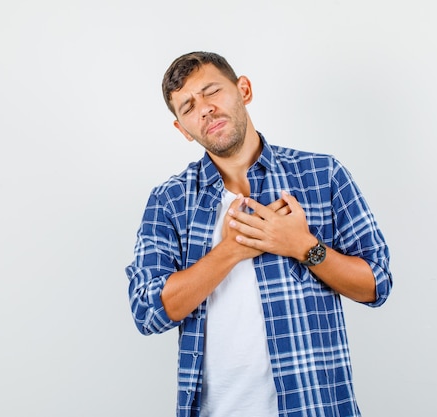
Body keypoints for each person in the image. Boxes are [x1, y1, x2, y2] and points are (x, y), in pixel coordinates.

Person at [125, 51, 392, 417]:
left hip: (317, 407)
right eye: (187, 107)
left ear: (244, 89)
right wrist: (231, 250)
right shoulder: (169, 201)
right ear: (182, 129)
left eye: (211, 91)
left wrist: (303, 246)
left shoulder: (322, 175)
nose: (203, 109)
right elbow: (147, 310)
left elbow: (377, 285)